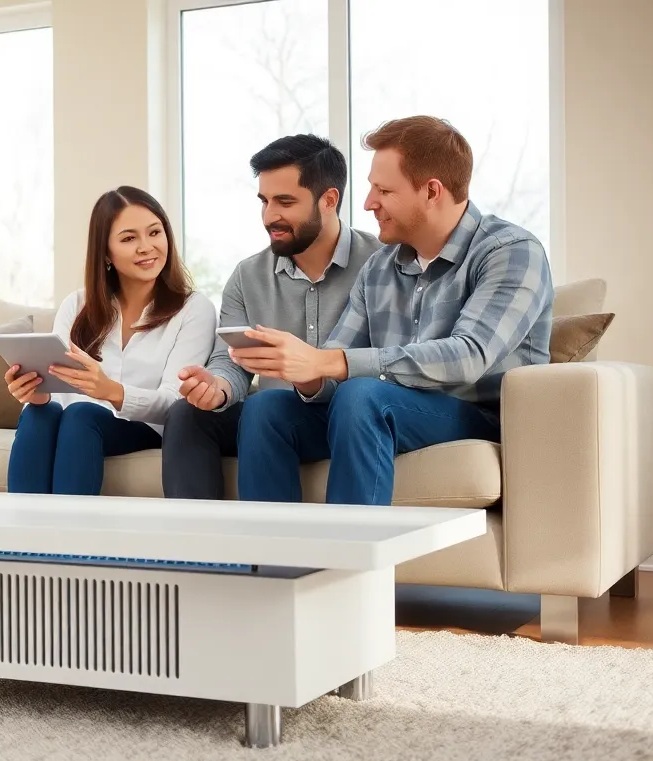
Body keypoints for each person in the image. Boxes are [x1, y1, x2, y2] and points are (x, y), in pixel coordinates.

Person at [229, 115, 554, 506]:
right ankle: (270, 559)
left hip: (475, 415)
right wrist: (303, 369)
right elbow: (330, 370)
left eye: (383, 190)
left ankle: (350, 564)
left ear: (431, 191)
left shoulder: (511, 251)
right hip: (377, 410)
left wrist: (329, 362)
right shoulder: (380, 267)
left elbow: (470, 355)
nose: (368, 204)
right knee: (267, 408)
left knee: (364, 395)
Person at [161, 134, 383, 500]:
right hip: (272, 421)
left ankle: (273, 553)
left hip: (354, 416)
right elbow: (228, 359)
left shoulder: (381, 264)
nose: (269, 216)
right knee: (187, 414)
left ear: (329, 200)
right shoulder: (248, 276)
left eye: (285, 202)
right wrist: (216, 387)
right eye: (264, 201)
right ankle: (199, 551)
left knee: (268, 406)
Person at [5, 185, 217, 496]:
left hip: (143, 426)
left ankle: (73, 543)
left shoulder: (193, 309)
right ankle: (20, 538)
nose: (147, 247)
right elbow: (58, 393)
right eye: (129, 238)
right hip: (77, 423)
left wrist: (112, 392)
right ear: (106, 252)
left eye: (155, 233)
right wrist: (35, 394)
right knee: (40, 414)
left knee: (82, 414)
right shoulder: (77, 305)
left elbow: (175, 403)